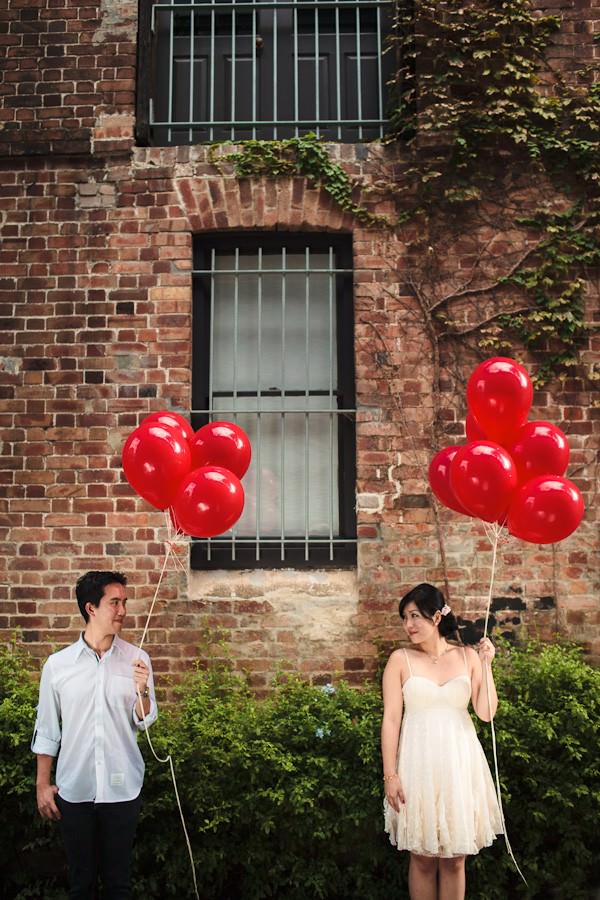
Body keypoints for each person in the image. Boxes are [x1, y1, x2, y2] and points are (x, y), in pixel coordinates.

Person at [32, 570, 158, 899]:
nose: (123, 611)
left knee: (119, 883)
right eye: (114, 602)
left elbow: (144, 721)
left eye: (125, 602)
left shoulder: (138, 660)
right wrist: (42, 785)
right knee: (81, 883)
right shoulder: (58, 666)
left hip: (122, 790)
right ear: (91, 608)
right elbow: (47, 729)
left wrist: (141, 691)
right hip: (75, 791)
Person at [381, 583, 503, 900]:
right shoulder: (400, 660)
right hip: (417, 763)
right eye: (404, 617)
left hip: (459, 763)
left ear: (436, 617)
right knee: (421, 857)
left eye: (415, 616)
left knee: (454, 858)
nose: (408, 625)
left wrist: (487, 664)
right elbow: (391, 719)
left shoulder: (467, 657)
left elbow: (486, 713)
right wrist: (390, 775)